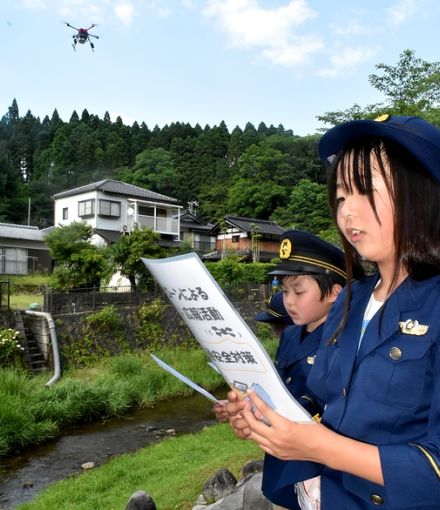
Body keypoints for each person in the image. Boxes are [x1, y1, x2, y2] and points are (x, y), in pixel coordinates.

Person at [228, 114, 440, 509]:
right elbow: (322, 400)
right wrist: (267, 415)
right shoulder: (351, 300)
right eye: (342, 196)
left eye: (367, 191)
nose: (346, 212)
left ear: (422, 194)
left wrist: (319, 446)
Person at [230, 229, 350, 508]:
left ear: (335, 291)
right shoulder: (292, 335)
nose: (289, 301)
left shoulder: (346, 339)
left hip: (319, 465)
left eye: (298, 291)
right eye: (284, 291)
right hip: (282, 456)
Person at [213, 290, 293, 423]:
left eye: (277, 326)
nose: (275, 333)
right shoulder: (285, 351)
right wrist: (241, 404)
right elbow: (275, 398)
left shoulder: (317, 358)